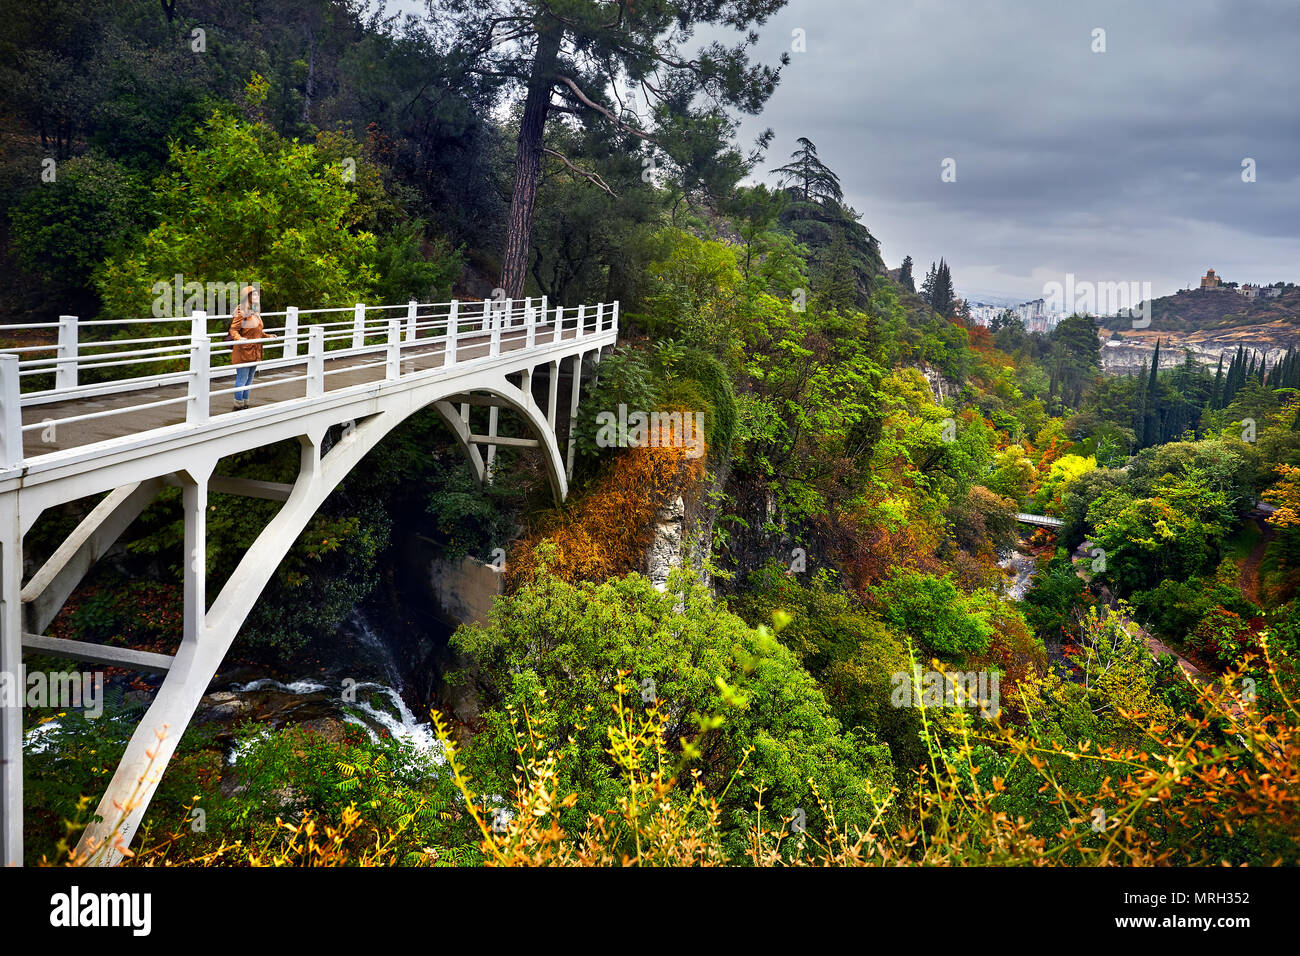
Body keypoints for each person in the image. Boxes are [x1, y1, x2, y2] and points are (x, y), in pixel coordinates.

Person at [228, 285, 274, 409]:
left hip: (255, 350)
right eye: (253, 294)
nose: (256, 297)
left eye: (257, 294)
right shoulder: (241, 311)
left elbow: (257, 331)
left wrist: (267, 336)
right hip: (243, 350)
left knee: (249, 380)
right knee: (242, 379)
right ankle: (238, 406)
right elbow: (233, 330)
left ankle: (245, 404)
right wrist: (239, 339)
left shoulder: (255, 311)